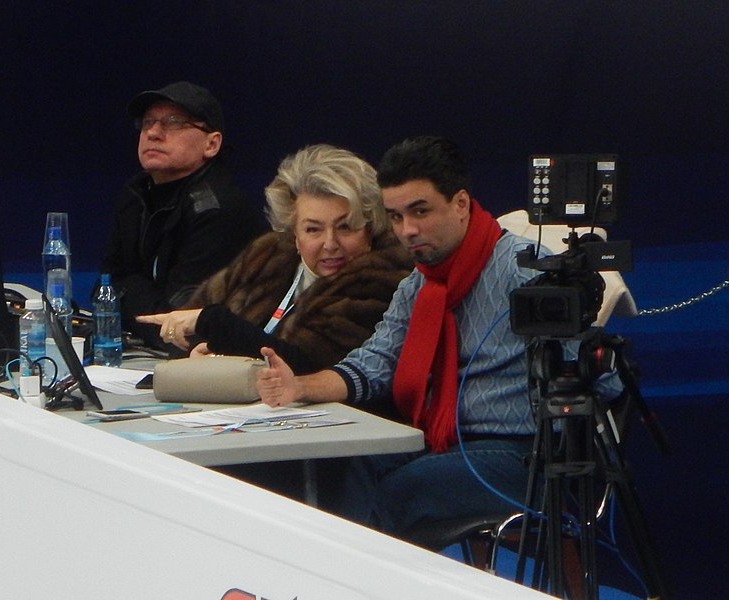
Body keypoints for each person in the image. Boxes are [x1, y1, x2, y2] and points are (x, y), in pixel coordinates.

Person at [255, 136, 623, 539]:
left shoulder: (523, 272)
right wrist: (298, 387)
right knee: (351, 465)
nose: (407, 230)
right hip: (447, 443)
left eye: (420, 211)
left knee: (399, 492)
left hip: (527, 453)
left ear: (461, 204)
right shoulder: (417, 285)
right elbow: (374, 363)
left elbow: (601, 378)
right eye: (396, 217)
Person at [136, 144, 414, 375]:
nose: (330, 244)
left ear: (370, 228)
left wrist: (215, 329)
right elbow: (189, 323)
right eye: (313, 229)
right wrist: (197, 351)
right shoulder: (268, 254)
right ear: (294, 234)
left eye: (346, 227)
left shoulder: (382, 281)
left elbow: (311, 366)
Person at [101, 81, 266, 349]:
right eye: (148, 122)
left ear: (211, 144)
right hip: (148, 351)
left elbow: (178, 324)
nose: (153, 132)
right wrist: (122, 293)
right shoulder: (135, 195)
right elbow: (104, 288)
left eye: (174, 122)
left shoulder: (218, 209)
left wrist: (126, 291)